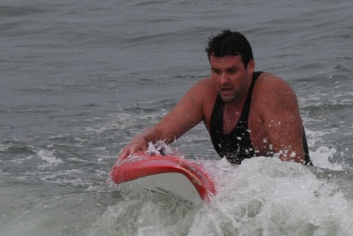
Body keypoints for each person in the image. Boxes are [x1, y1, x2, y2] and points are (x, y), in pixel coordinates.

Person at [118, 30, 311, 165]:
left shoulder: (272, 92)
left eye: (232, 71)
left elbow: (294, 165)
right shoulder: (205, 94)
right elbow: (161, 133)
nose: (223, 80)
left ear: (250, 66)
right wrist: (142, 139)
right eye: (216, 71)